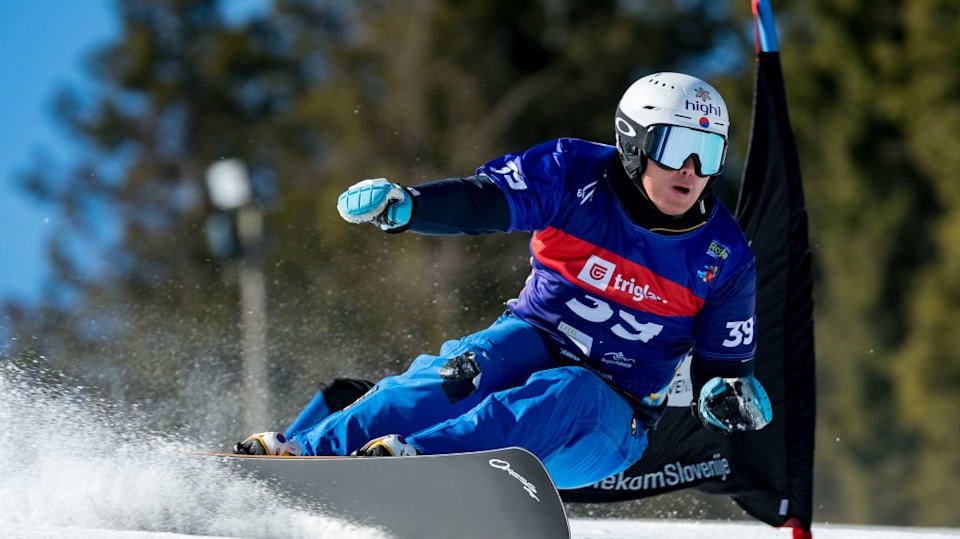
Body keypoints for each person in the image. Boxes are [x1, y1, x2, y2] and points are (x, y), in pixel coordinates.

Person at [234, 72, 773, 490]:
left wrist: (727, 394)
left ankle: (423, 462)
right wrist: (411, 206)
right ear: (633, 143)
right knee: (460, 371)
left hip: (613, 416)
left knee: (570, 389)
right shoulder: (571, 174)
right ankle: (304, 452)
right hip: (535, 337)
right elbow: (486, 200)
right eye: (677, 148)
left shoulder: (724, 256)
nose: (693, 171)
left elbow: (722, 370)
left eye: (710, 153)